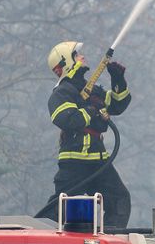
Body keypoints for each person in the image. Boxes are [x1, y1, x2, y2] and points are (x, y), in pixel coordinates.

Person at [43, 41, 132, 228]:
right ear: (66, 62)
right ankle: (38, 236)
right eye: (77, 55)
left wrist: (118, 81)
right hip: (75, 160)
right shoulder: (63, 91)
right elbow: (67, 119)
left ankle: (110, 240)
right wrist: (91, 111)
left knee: (119, 200)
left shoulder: (89, 89)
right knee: (59, 207)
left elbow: (117, 106)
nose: (82, 57)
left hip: (98, 159)